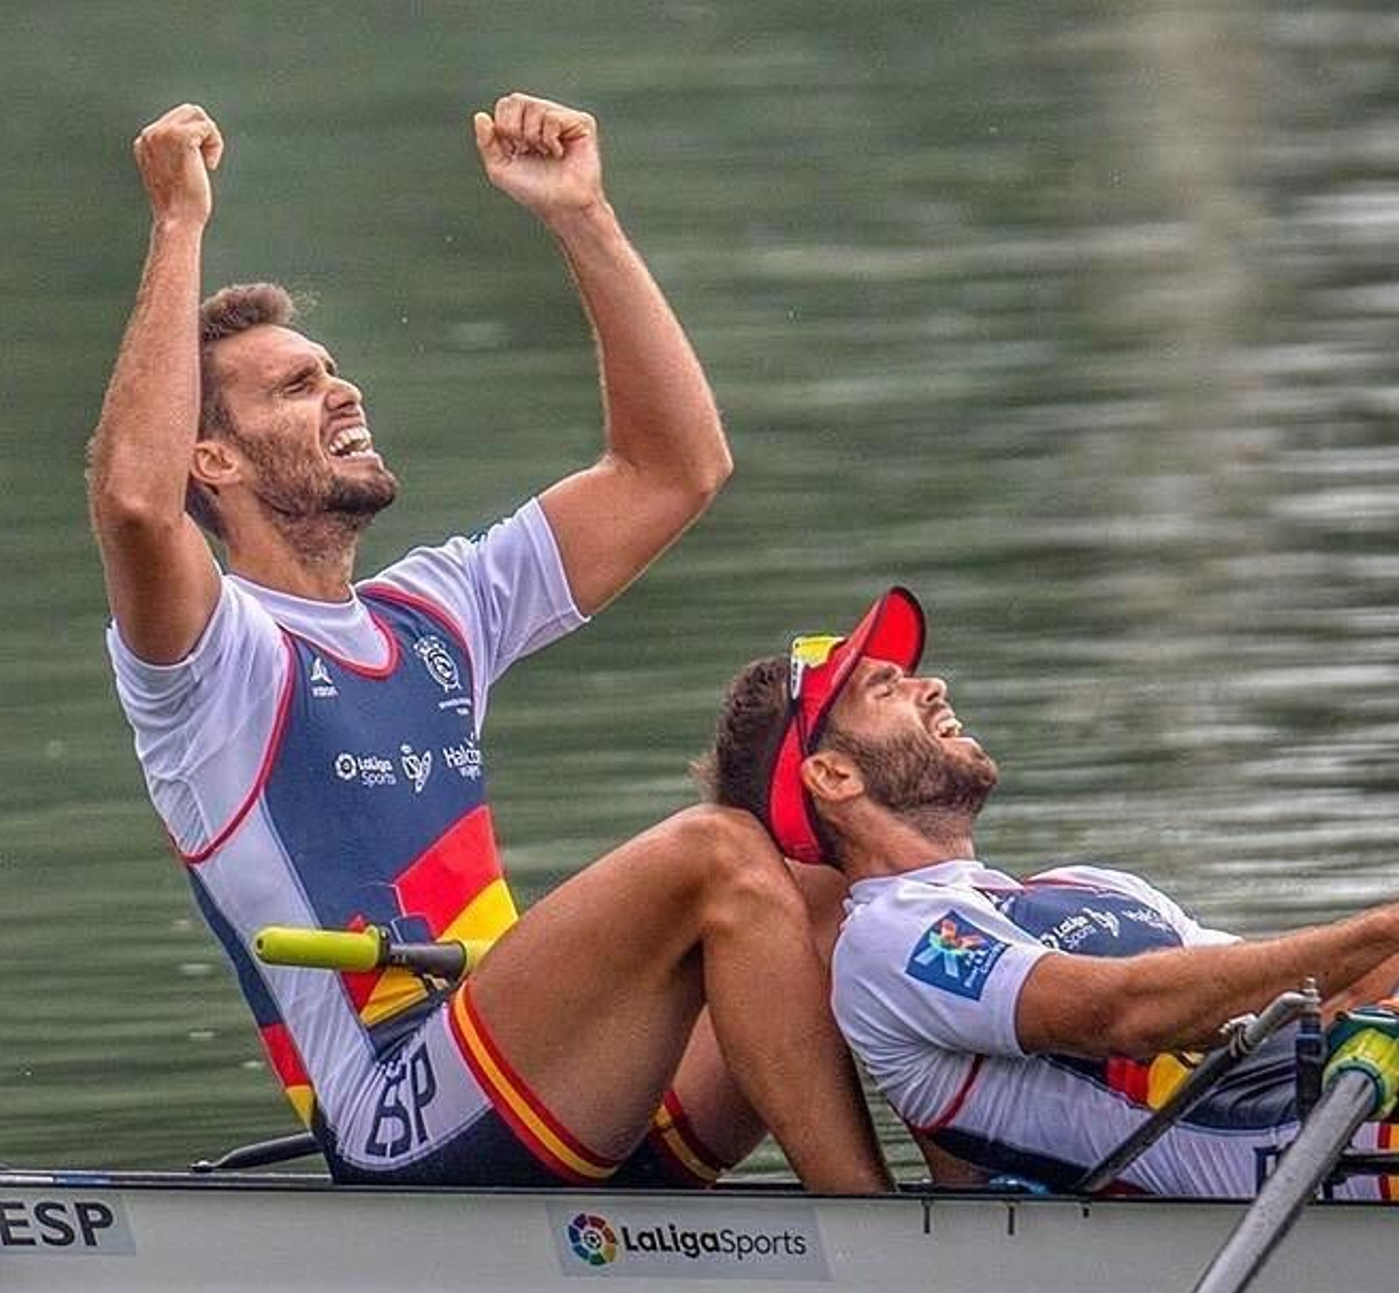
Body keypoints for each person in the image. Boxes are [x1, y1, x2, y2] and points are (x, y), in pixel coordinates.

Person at [87, 96, 891, 1194]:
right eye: (295, 385)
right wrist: (179, 223)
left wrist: (583, 215)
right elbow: (135, 504)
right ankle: (878, 1235)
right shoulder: (213, 663)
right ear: (214, 464)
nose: (343, 388)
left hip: (523, 1078)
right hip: (396, 1111)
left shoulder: (435, 612)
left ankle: (984, 1207)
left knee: (829, 892)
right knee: (716, 854)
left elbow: (674, 470)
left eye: (332, 369)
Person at [697, 585, 1399, 1202]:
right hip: (1265, 1156)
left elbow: (1366, 1001)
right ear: (833, 776)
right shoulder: (891, 945)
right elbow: (1121, 1014)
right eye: (886, 688)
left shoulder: (1089, 886)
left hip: (1330, 1096)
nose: (932, 684)